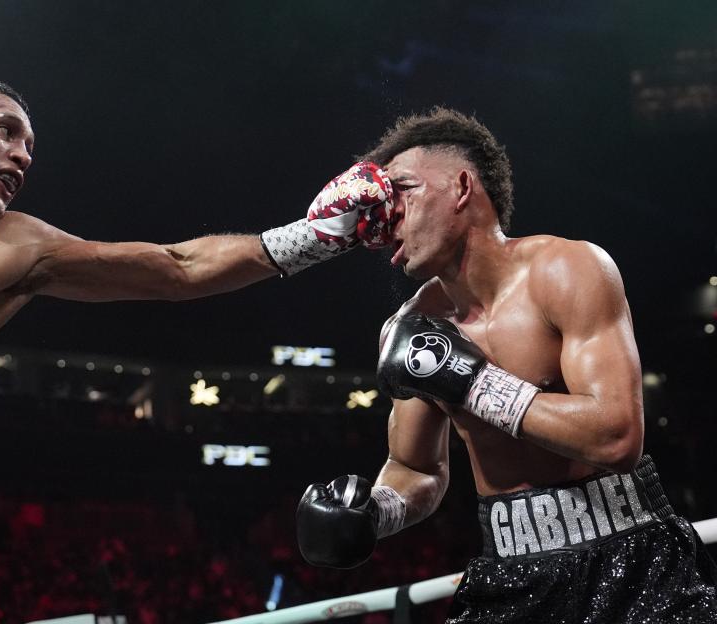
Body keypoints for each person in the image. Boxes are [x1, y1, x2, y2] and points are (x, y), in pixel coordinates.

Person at [0, 74, 396, 623]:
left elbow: (175, 268)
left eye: (29, 148)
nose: (21, 155)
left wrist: (313, 237)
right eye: (5, 132)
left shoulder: (18, 250)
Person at [296, 107, 717, 622]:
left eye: (402, 190)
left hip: (632, 557)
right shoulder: (411, 329)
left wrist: (473, 383)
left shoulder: (567, 270)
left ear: (462, 187)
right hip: (512, 570)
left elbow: (618, 439)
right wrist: (374, 512)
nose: (387, 217)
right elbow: (415, 469)